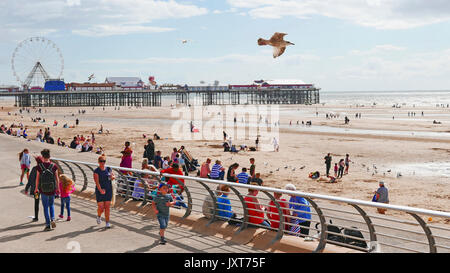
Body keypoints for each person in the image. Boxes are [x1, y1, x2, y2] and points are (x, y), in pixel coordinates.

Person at [34, 149, 60, 231]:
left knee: (45, 206)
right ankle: (52, 218)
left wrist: (36, 188)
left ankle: (48, 224)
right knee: (51, 204)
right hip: (52, 188)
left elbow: (37, 179)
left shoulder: (39, 167)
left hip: (43, 189)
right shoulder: (54, 166)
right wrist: (58, 188)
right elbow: (57, 178)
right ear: (49, 156)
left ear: (42, 157)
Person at [94, 155, 115, 228]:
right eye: (101, 161)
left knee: (107, 207)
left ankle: (107, 222)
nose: (102, 163)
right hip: (100, 190)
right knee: (101, 207)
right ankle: (99, 216)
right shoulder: (96, 171)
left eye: (104, 161)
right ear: (98, 162)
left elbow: (113, 176)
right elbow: (97, 182)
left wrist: (112, 177)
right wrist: (100, 190)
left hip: (108, 189)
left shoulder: (109, 169)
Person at [24, 156, 43, 222]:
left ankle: (36, 217)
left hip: (36, 190)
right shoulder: (45, 167)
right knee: (46, 204)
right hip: (45, 189)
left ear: (37, 162)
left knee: (36, 203)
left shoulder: (35, 168)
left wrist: (26, 189)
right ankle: (50, 218)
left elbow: (30, 180)